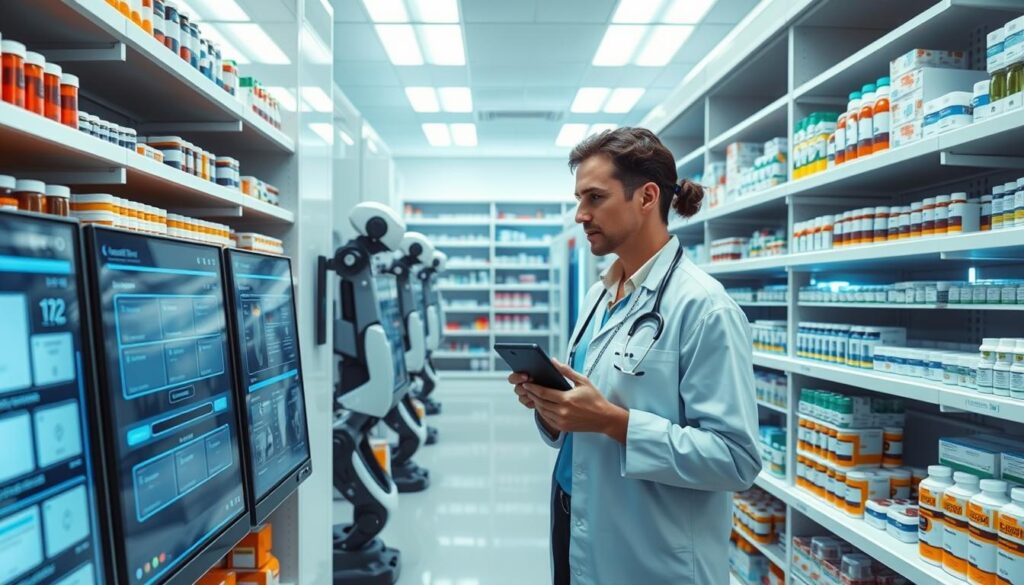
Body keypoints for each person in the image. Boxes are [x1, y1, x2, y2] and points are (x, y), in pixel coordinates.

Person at [508, 127, 761, 584]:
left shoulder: (704, 307)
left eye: (594, 198)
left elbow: (736, 460)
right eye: (578, 199)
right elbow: (584, 409)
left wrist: (612, 422)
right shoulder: (596, 295)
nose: (580, 215)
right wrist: (551, 408)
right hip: (575, 514)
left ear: (646, 197)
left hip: (651, 553)